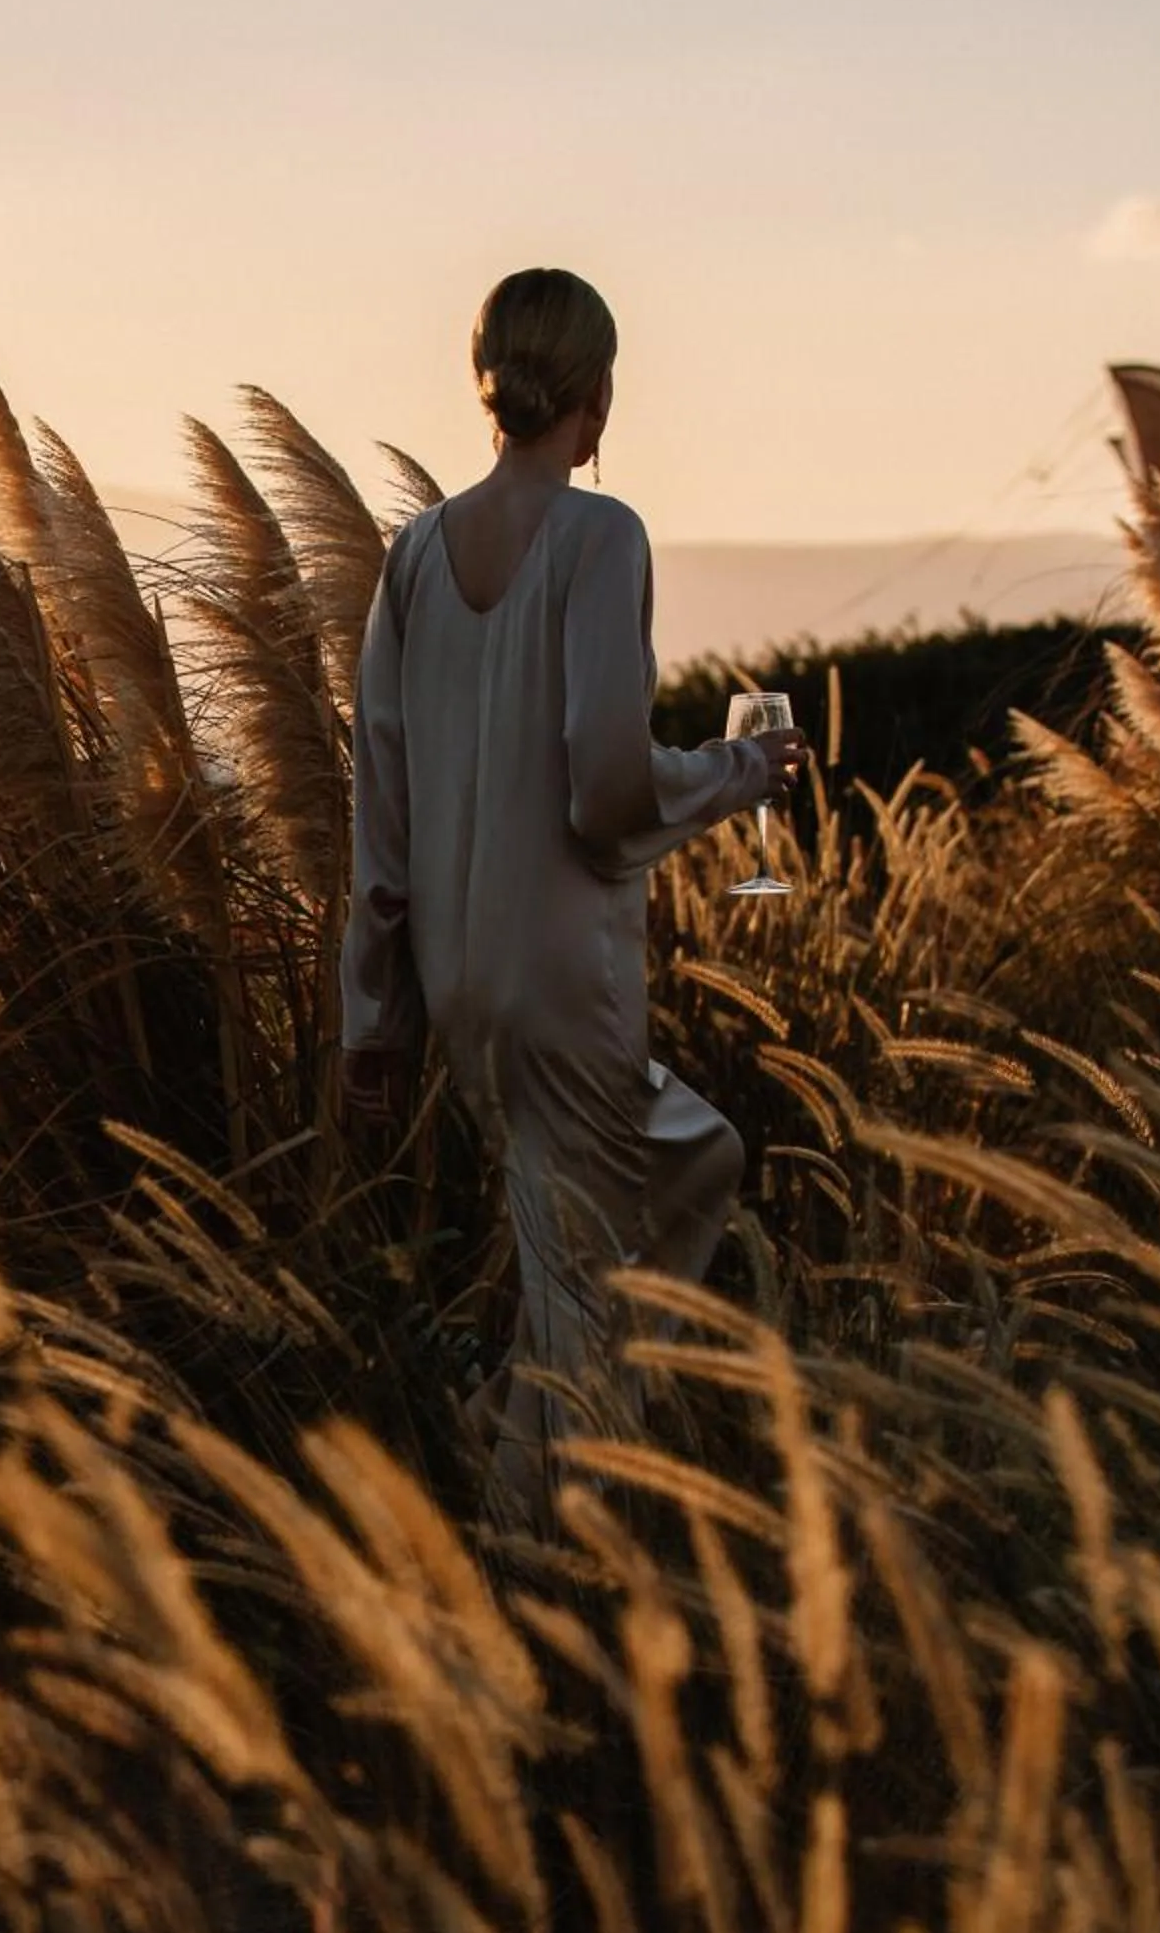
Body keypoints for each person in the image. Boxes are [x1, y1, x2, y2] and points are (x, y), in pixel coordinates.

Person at [338, 267, 809, 1533]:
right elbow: (604, 788)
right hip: (563, 978)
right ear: (594, 393)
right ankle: (530, 1557)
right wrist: (738, 771)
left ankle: (513, 1442)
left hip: (459, 986)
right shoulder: (603, 538)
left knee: (665, 1182)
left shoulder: (414, 559)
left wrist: (372, 1024)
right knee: (599, 1277)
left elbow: (379, 818)